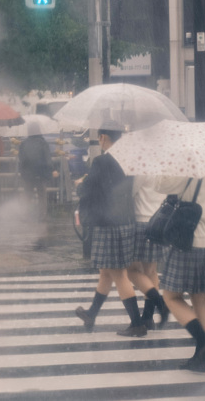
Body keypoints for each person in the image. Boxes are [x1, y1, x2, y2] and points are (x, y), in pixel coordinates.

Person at [152, 169, 205, 372]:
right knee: (201, 300)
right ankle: (200, 359)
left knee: (171, 297)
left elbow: (160, 185)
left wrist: (163, 164)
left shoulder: (188, 171)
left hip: (190, 242)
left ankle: (203, 342)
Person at [74, 129, 144, 337]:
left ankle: (137, 323)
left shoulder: (102, 162)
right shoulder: (129, 160)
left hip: (108, 222)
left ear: (103, 138)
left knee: (118, 274)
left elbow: (90, 189)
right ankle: (91, 314)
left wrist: (80, 185)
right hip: (124, 220)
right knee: (106, 271)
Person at [128, 175, 170, 329]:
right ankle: (147, 317)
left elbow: (130, 193)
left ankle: (160, 303)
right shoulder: (165, 165)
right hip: (159, 221)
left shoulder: (143, 167)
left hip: (142, 220)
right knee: (151, 271)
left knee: (131, 270)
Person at [17, 128, 56, 219]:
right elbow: (48, 159)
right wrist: (52, 169)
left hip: (28, 174)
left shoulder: (24, 143)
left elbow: (21, 159)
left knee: (27, 195)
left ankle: (25, 215)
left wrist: (23, 172)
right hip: (40, 173)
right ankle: (42, 215)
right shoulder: (43, 143)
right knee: (42, 196)